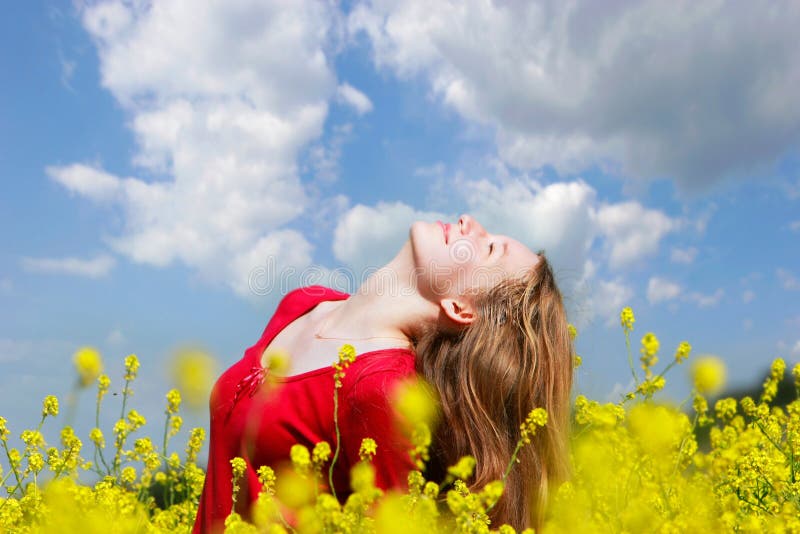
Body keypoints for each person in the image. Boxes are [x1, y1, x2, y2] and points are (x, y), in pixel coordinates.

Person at [192, 215, 574, 533]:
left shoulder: (383, 390)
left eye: (489, 248)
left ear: (460, 308)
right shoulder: (305, 303)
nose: (469, 223)